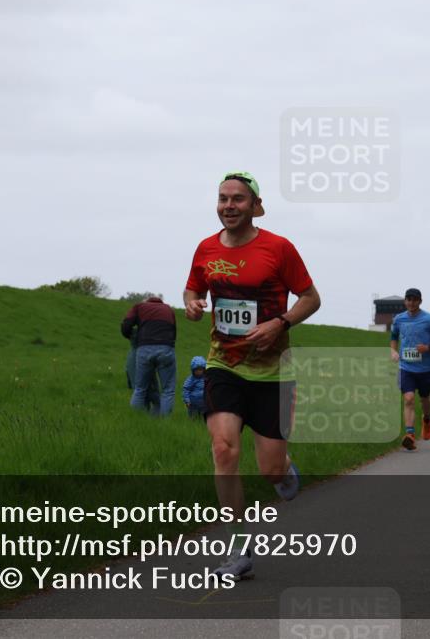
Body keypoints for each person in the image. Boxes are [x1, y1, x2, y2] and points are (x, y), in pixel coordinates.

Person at [183, 171, 321, 581]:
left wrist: (280, 323)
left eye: (237, 199)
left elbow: (311, 298)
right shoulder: (206, 248)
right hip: (223, 363)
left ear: (253, 204)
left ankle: (284, 470)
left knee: (270, 470)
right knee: (224, 450)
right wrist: (192, 304)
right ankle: (238, 549)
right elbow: (193, 290)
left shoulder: (279, 248)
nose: (228, 205)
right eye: (223, 198)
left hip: (272, 372)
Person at [390, 288, 430, 451]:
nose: (411, 302)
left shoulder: (429, 319)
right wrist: (393, 351)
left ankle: (427, 420)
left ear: (420, 301)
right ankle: (410, 435)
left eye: (414, 299)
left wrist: (429, 346)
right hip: (406, 368)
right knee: (408, 398)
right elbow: (394, 336)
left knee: (425, 400)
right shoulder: (399, 319)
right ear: (405, 301)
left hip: (425, 369)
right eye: (408, 299)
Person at [121, 296, 177, 416]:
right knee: (168, 390)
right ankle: (164, 424)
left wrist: (131, 336)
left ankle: (135, 419)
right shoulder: (168, 309)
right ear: (161, 302)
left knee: (140, 389)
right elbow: (174, 331)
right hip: (166, 349)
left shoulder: (139, 306)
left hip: (144, 349)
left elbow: (126, 325)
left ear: (147, 301)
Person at [125, 343, 161, 412]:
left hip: (136, 381)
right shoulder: (144, 350)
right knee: (156, 400)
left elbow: (127, 369)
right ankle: (157, 418)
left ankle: (140, 417)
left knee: (141, 397)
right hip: (146, 377)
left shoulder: (131, 352)